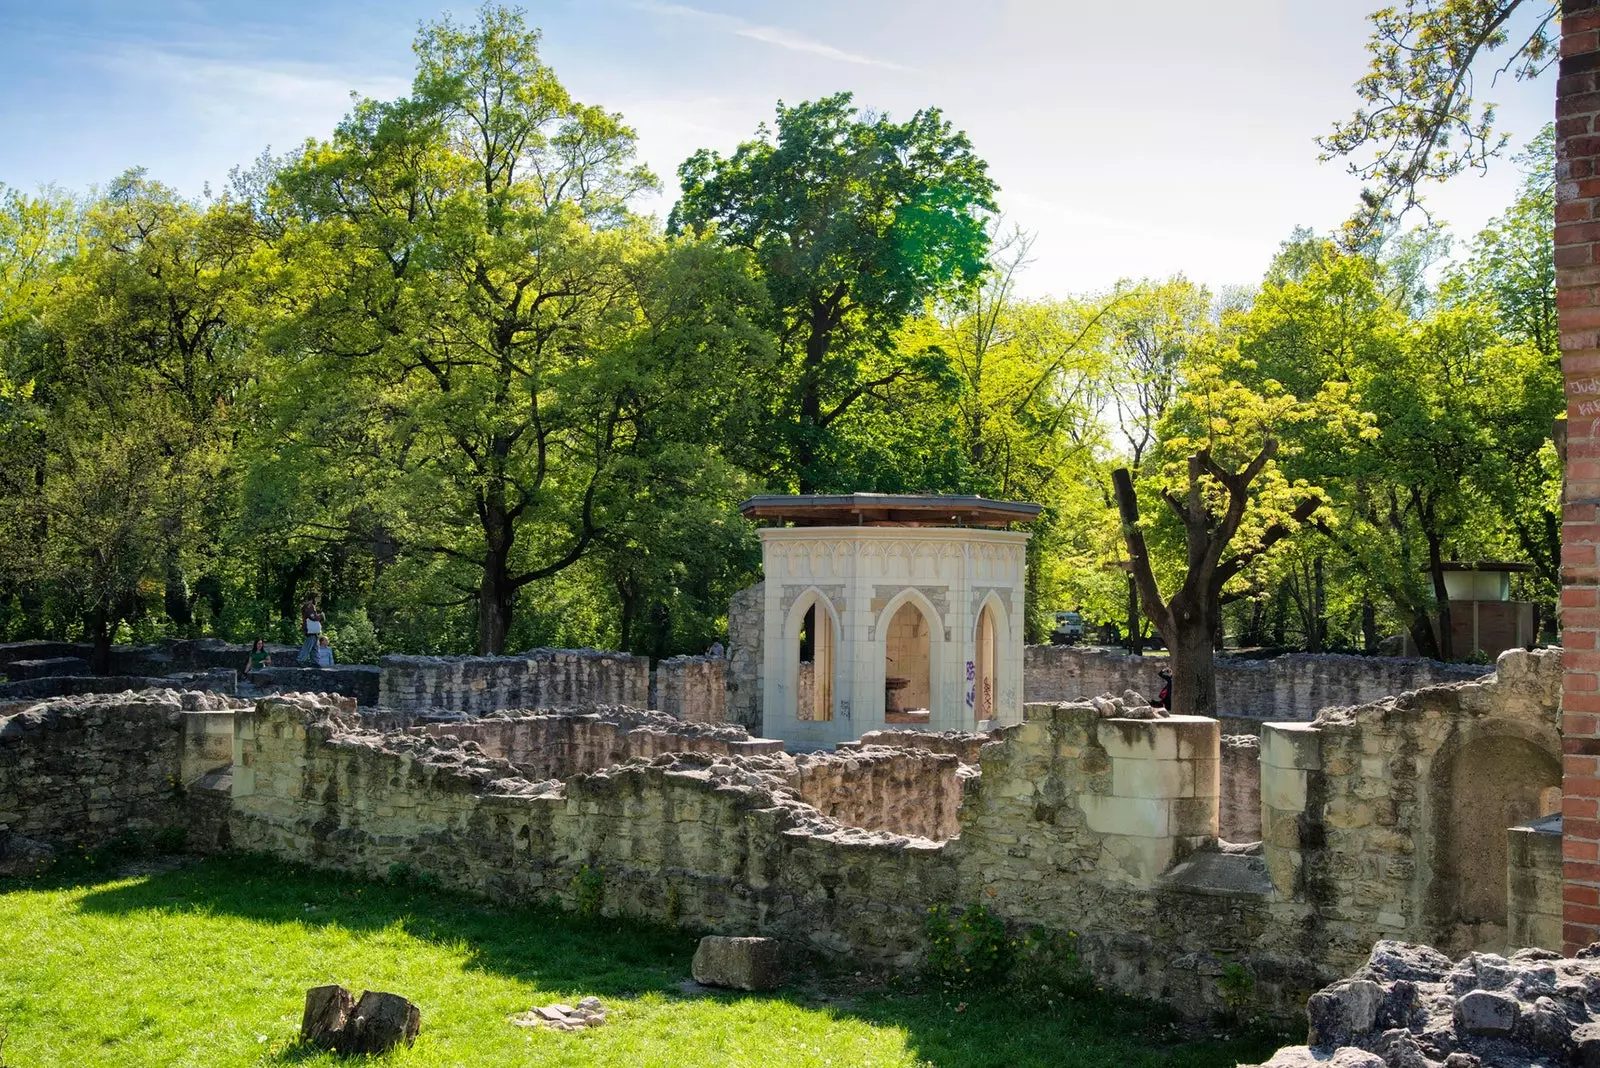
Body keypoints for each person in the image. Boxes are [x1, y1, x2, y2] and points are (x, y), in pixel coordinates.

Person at [296, 591, 324, 666]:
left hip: (313, 631)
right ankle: (300, 660)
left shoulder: (309, 605)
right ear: (313, 598)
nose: (318, 600)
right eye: (317, 598)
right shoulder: (309, 605)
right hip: (310, 630)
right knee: (308, 646)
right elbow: (312, 617)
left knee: (315, 646)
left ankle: (315, 662)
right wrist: (321, 616)